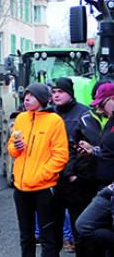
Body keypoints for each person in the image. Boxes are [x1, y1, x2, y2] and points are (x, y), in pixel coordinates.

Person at [8, 83, 69, 257]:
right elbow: (11, 148)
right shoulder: (20, 118)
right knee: (26, 237)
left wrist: (41, 176)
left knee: (47, 238)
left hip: (43, 189)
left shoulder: (54, 121)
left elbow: (61, 156)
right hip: (20, 189)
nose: (26, 98)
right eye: (26, 95)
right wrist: (16, 147)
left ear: (41, 99)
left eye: (31, 96)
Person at [50, 77, 92, 255]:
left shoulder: (84, 114)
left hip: (74, 181)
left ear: (70, 93)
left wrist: (74, 174)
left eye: (61, 92)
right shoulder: (50, 114)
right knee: (52, 229)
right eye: (54, 92)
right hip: (53, 179)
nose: (56, 95)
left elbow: (87, 148)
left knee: (79, 228)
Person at [75, 83, 114, 254]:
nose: (98, 109)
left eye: (101, 103)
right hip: (106, 189)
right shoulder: (110, 121)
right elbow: (108, 151)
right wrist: (93, 150)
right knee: (84, 225)